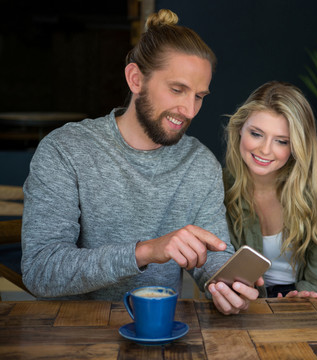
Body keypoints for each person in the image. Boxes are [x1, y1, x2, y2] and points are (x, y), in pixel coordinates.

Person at [21, 9, 261, 315]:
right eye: (177, 89)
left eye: (199, 96)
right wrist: (145, 251)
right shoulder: (65, 150)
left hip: (161, 332)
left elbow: (212, 255)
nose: (189, 110)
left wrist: (226, 284)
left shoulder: (199, 164)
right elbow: (41, 271)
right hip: (74, 334)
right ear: (136, 79)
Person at [223, 81, 317, 298]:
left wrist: (302, 298)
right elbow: (217, 271)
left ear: (296, 147)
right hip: (248, 305)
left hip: (309, 301)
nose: (265, 149)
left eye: (281, 141)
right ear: (239, 129)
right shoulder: (219, 188)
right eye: (256, 134)